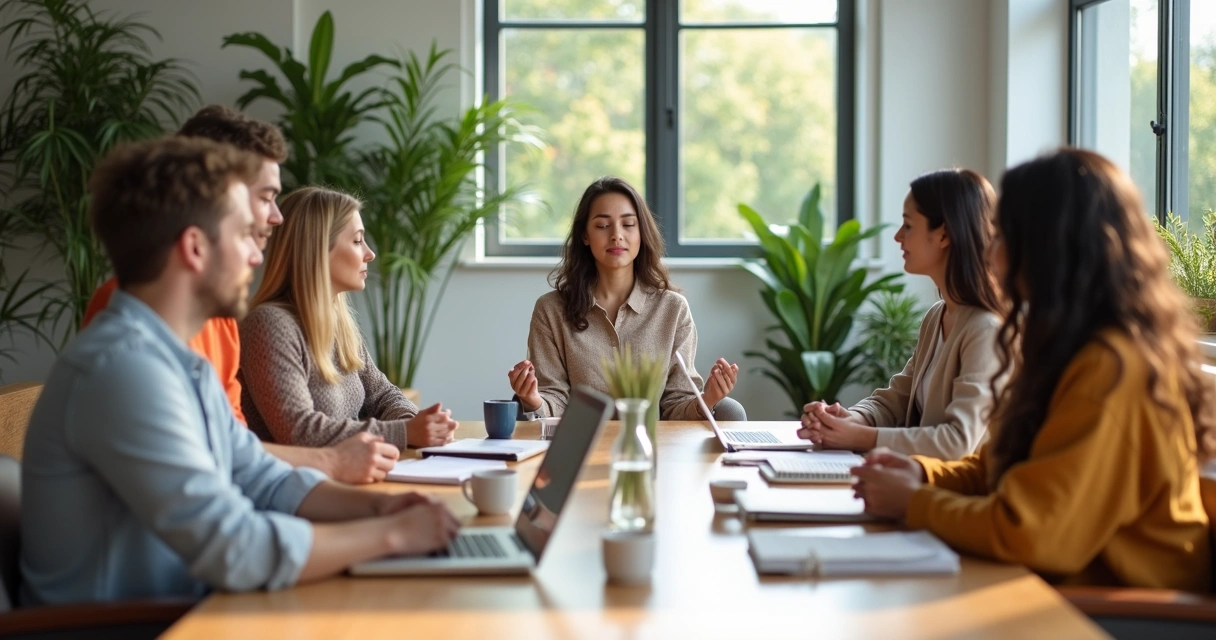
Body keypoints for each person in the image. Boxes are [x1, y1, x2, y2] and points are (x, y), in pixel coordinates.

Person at [21, 137, 460, 605]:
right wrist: (391, 535)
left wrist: (381, 505)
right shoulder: (123, 371)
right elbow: (233, 549)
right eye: (244, 236)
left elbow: (259, 475)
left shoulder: (180, 362)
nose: (257, 256)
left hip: (193, 606)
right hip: (129, 626)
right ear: (195, 248)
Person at [851, 148, 1215, 591]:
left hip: (1129, 611)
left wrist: (916, 502)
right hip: (1068, 587)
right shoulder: (1066, 348)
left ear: (1046, 249)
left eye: (1002, 239)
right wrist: (923, 475)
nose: (992, 256)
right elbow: (996, 467)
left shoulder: (1114, 367)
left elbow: (1031, 531)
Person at [80, 105, 397, 484]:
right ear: (213, 193)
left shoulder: (221, 318)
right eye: (265, 197)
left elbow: (235, 449)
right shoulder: (129, 338)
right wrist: (337, 469)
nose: (277, 217)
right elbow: (208, 498)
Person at [800, 169, 1004, 458]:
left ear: (944, 234)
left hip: (954, 495)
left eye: (908, 225)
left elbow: (958, 442)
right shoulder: (937, 317)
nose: (897, 236)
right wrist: (846, 420)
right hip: (916, 484)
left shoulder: (986, 329)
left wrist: (859, 436)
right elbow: (895, 400)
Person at [506, 176, 746, 421]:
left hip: (652, 447)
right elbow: (554, 399)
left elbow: (677, 404)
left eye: (628, 224)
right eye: (602, 226)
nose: (616, 235)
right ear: (585, 236)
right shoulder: (551, 310)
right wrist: (533, 398)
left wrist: (708, 397)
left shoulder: (672, 309)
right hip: (580, 447)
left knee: (731, 411)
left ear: (641, 232)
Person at [239, 187, 458, 449]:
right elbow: (298, 431)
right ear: (318, 250)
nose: (369, 253)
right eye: (357, 241)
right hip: (300, 486)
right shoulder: (269, 325)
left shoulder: (339, 324)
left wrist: (413, 422)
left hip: (350, 473)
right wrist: (404, 433)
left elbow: (383, 395)